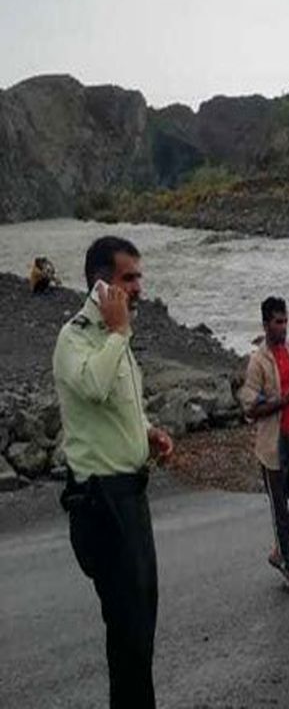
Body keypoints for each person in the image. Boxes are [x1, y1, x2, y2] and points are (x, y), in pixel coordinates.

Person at [53, 236, 174, 708]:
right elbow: (95, 388)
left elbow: (122, 406)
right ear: (102, 284)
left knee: (141, 629)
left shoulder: (112, 337)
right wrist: (119, 332)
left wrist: (147, 433)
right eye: (130, 278)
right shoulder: (76, 338)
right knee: (127, 634)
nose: (139, 287)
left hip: (132, 497)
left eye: (140, 277)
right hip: (102, 505)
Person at [237, 296, 289, 594]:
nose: (282, 327)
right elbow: (250, 407)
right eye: (277, 322)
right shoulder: (258, 361)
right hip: (272, 443)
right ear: (266, 324)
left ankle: (280, 551)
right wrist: (281, 401)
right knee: (280, 510)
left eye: (285, 321)